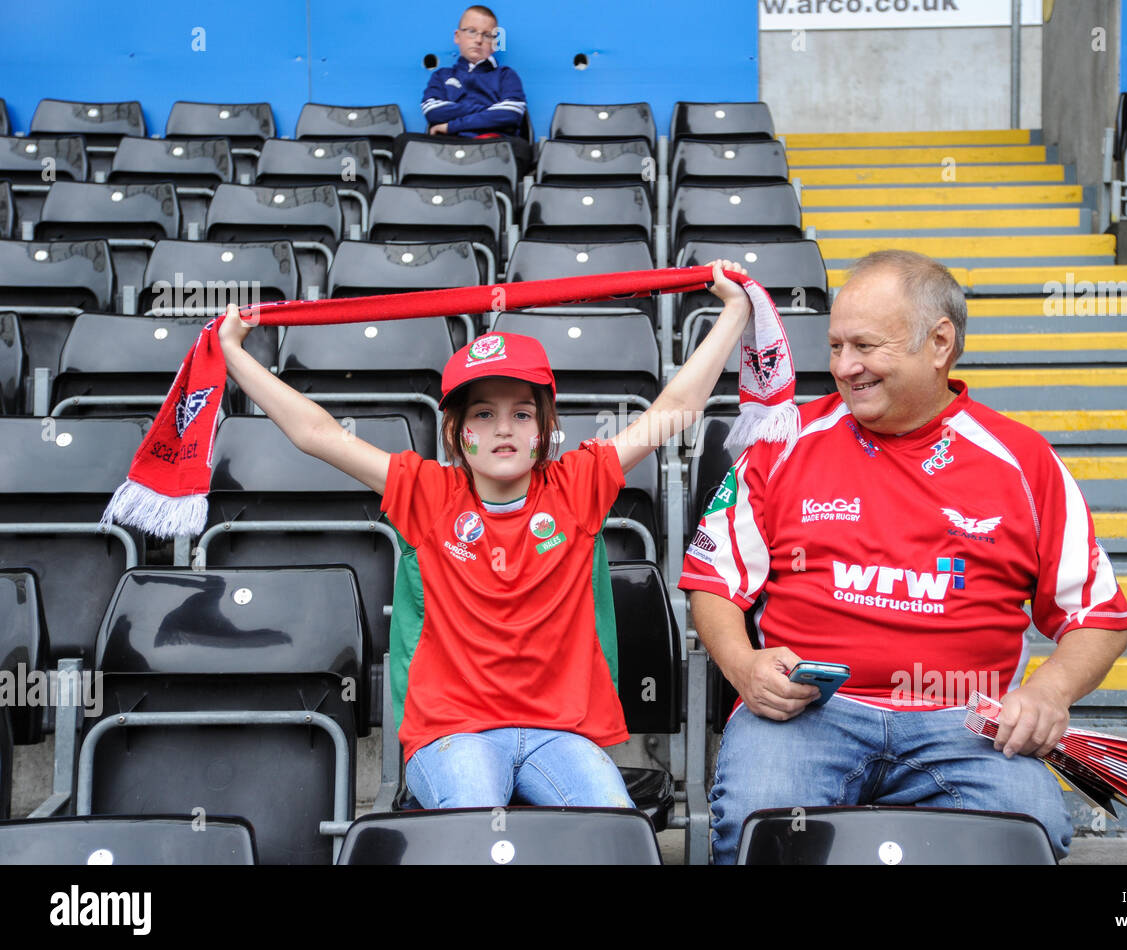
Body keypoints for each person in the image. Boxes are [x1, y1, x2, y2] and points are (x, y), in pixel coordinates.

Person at [219, 261, 751, 810]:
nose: (503, 428)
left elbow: (677, 410)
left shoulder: (578, 485)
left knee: (608, 828)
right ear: (456, 432)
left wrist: (734, 311)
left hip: (560, 734)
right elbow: (316, 432)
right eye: (483, 414)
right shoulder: (426, 494)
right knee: (471, 829)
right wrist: (235, 354)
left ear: (546, 428)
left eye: (522, 413)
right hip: (453, 734)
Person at [680, 249, 1127, 864]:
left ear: (939, 343)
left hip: (965, 720)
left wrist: (1049, 692)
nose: (844, 367)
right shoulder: (780, 445)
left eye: (865, 347)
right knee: (758, 827)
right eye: (836, 346)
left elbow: (1097, 618)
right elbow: (712, 579)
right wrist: (742, 664)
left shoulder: (1024, 462)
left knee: (1026, 833)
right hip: (809, 715)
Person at [419, 5, 530, 166]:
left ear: (494, 42)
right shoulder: (442, 75)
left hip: (495, 147)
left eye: (486, 35)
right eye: (471, 31)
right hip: (448, 147)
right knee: (405, 144)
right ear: (457, 36)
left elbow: (510, 114)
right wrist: (488, 109)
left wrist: (451, 126)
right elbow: (433, 112)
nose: (478, 40)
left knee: (521, 148)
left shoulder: (506, 75)